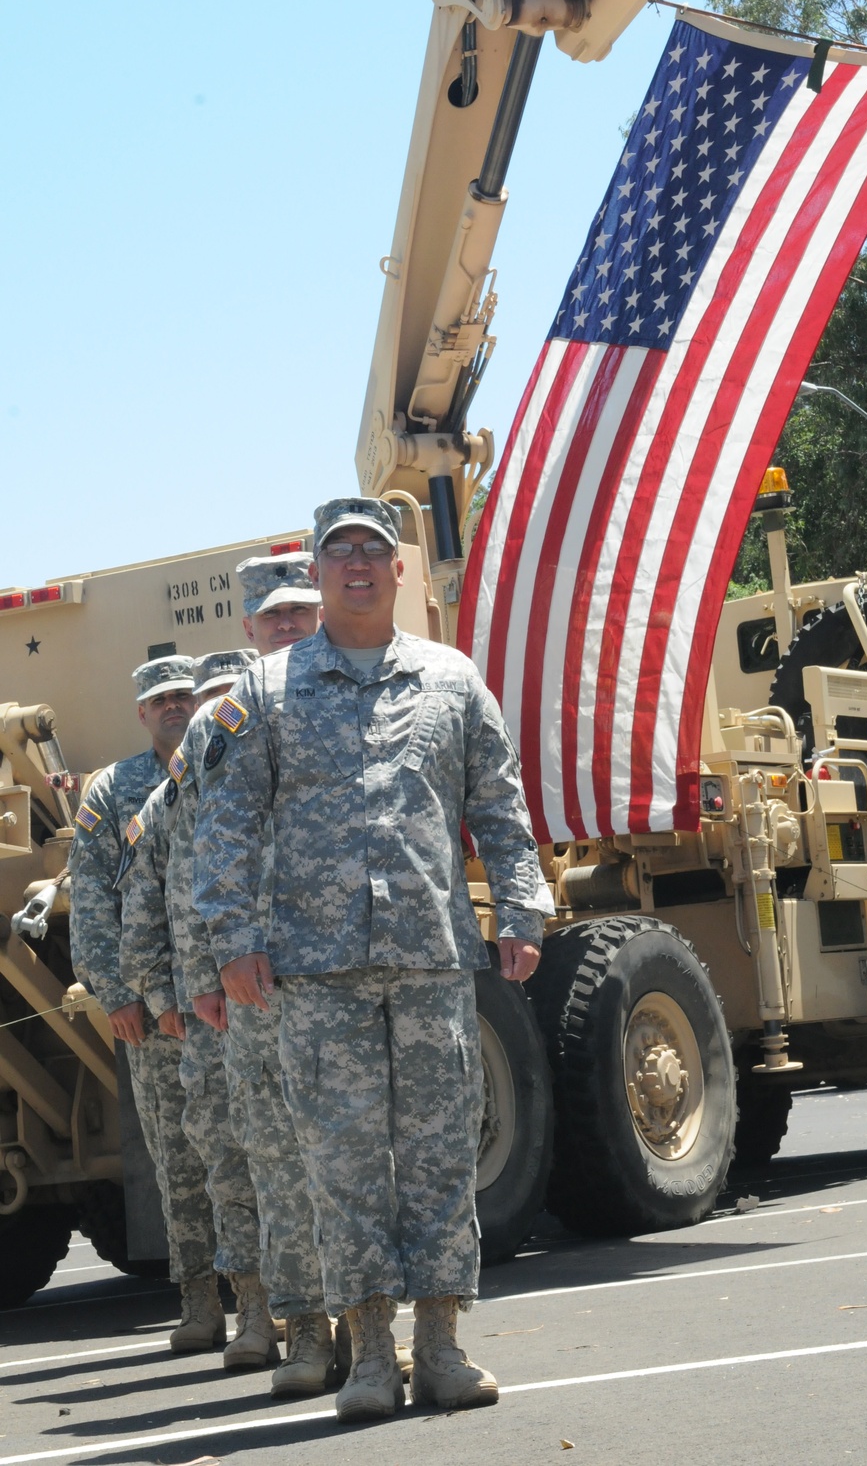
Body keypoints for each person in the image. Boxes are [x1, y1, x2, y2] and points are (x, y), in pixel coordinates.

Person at [193, 497, 553, 1425]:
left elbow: (502, 811)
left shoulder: (452, 681)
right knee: (343, 1169)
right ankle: (367, 1357)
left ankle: (440, 1346)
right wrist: (232, 941)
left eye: (374, 551)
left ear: (400, 572)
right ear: (315, 572)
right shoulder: (264, 694)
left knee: (440, 1156)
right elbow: (224, 828)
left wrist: (522, 908)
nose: (357, 564)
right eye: (338, 551)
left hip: (431, 960)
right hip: (315, 977)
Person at [118, 648, 275, 1372]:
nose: (200, 711)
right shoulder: (162, 801)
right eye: (186, 698)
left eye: (215, 695)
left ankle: (334, 1320)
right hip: (207, 1015)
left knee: (309, 1160)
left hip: (288, 999)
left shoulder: (279, 766)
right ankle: (254, 1314)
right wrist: (156, 994)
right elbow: (139, 907)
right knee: (227, 1164)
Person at [68, 656, 219, 1353]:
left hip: (235, 993)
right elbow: (93, 897)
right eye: (160, 699)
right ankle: (198, 1304)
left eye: (184, 695)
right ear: (141, 712)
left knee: (257, 1150)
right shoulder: (115, 790)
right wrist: (114, 992)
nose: (174, 708)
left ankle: (276, 1298)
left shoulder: (229, 763)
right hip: (157, 1009)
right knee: (178, 1158)